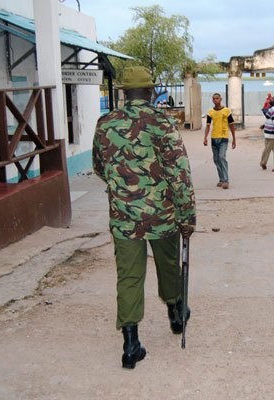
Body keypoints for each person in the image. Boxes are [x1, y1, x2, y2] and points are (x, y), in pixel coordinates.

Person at [93, 66, 196, 369]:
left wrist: (123, 191)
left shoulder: (105, 123)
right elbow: (179, 174)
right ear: (150, 92)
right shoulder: (162, 122)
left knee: (129, 277)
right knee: (169, 267)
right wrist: (188, 216)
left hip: (124, 217)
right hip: (162, 216)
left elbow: (100, 167)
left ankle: (130, 345)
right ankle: (176, 316)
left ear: (124, 92)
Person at [203, 93, 237, 189]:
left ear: (220, 99)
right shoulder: (210, 112)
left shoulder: (227, 111)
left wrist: (234, 139)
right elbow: (208, 126)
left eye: (217, 98)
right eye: (214, 99)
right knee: (216, 159)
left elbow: (232, 125)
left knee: (222, 157)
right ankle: (221, 179)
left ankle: (226, 180)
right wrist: (205, 137)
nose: (215, 100)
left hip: (223, 138)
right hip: (214, 138)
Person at [260, 95, 274, 172]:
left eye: (272, 99)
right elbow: (271, 119)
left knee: (267, 149)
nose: (270, 99)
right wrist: (264, 125)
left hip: (271, 134)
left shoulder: (273, 109)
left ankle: (263, 162)